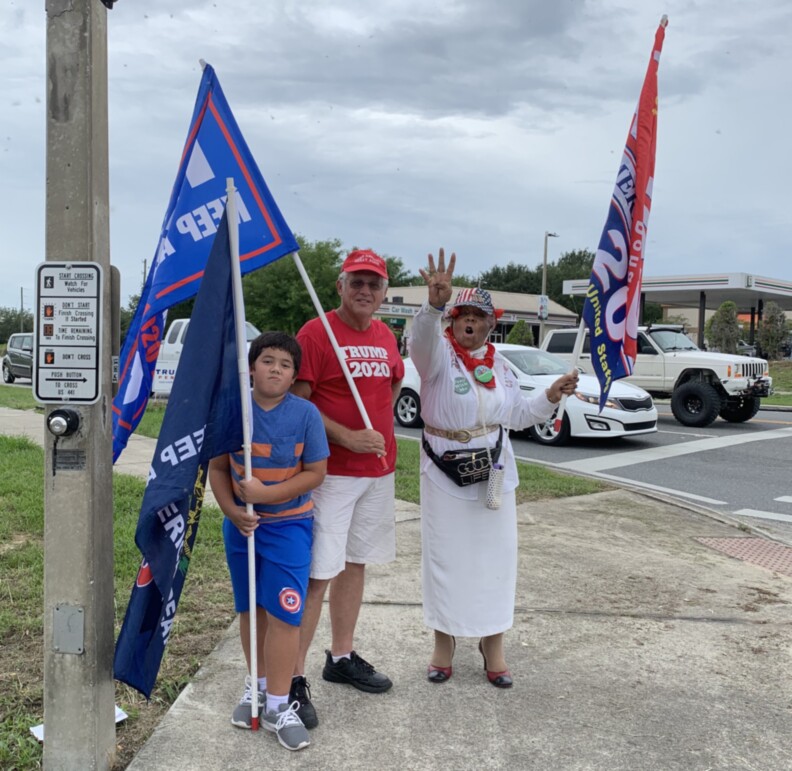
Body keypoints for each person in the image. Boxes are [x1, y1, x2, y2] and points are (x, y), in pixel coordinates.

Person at [409, 249, 578, 688]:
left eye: (477, 316)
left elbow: (519, 415)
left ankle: (492, 642)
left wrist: (551, 396)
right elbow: (419, 341)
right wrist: (433, 305)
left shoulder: (499, 366)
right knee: (445, 559)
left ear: (490, 324)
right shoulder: (437, 358)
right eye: (461, 314)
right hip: (445, 470)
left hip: (494, 472)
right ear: (452, 321)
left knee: (496, 560)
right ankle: (443, 643)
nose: (468, 321)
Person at [291, 248, 404, 724]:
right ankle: (291, 679)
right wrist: (348, 435)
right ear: (339, 287)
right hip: (332, 475)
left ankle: (340, 657)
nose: (365, 290)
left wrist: (376, 430)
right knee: (319, 574)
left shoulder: (385, 335)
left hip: (378, 474)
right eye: (356, 282)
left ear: (383, 293)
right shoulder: (316, 332)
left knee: (355, 564)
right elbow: (299, 403)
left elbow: (393, 385)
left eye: (373, 284)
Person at [209, 332, 329, 752]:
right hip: (243, 530)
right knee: (250, 610)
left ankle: (279, 703)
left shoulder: (306, 415)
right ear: (252, 366)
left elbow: (315, 472)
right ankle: (256, 686)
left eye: (285, 364)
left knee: (285, 614)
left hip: (288, 528)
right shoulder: (232, 411)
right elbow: (219, 470)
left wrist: (266, 496)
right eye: (268, 360)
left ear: (294, 375)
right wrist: (233, 510)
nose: (276, 369)